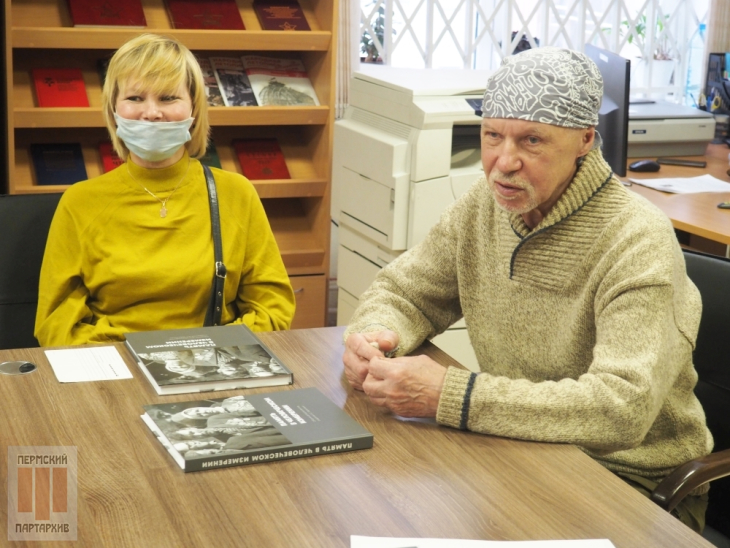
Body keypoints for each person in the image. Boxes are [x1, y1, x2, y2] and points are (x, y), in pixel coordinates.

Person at [342, 47, 713, 532]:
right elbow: (406, 291)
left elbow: (621, 409)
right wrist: (376, 335)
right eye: (492, 135)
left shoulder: (636, 239)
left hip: (629, 481)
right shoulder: (485, 206)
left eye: (531, 140)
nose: (503, 163)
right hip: (519, 448)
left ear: (584, 139)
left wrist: (449, 395)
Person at [35, 34, 295, 346]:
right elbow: (56, 325)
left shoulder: (237, 194)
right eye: (134, 98)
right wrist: (130, 365)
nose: (152, 112)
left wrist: (206, 358)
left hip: (215, 366)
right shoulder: (79, 202)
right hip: (115, 371)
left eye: (168, 98)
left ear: (194, 107)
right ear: (113, 109)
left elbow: (273, 309)